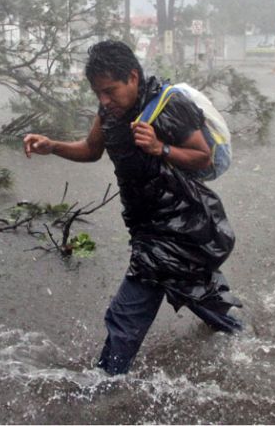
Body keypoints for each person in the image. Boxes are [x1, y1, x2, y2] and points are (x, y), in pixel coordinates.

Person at [23, 40, 243, 375]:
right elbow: (91, 149)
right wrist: (52, 146)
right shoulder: (109, 111)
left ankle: (104, 384)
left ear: (133, 77)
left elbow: (203, 155)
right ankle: (244, 341)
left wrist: (160, 148)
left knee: (126, 314)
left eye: (110, 91)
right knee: (198, 291)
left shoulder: (170, 106)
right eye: (98, 93)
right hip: (145, 223)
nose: (104, 101)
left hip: (178, 224)